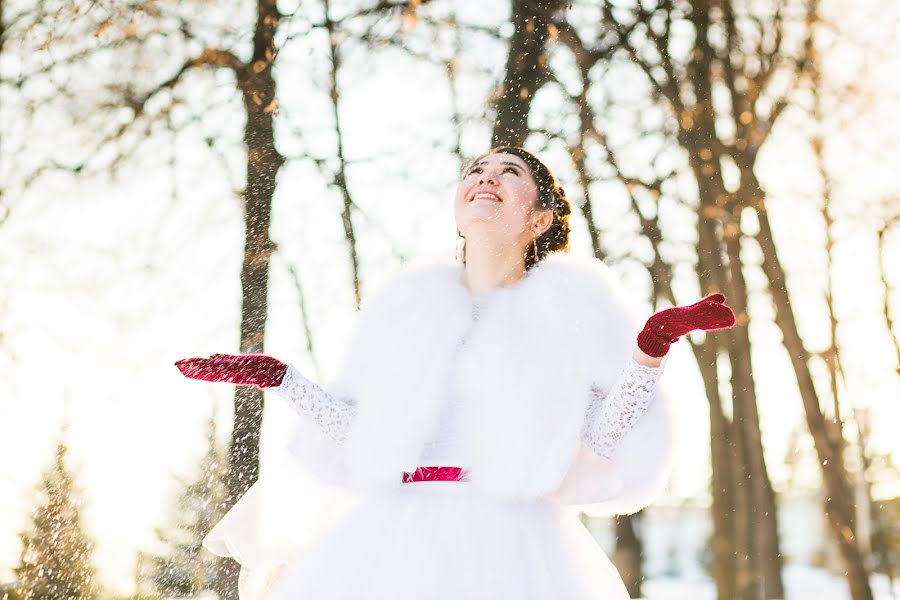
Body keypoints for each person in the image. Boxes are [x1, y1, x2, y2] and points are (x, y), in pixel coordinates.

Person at [175, 146, 736, 599]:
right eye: (476, 170)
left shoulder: (571, 311)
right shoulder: (403, 310)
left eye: (509, 171)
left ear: (540, 217)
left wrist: (649, 351)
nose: (486, 177)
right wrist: (284, 380)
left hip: (514, 546)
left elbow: (599, 443)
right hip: (390, 546)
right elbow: (365, 441)